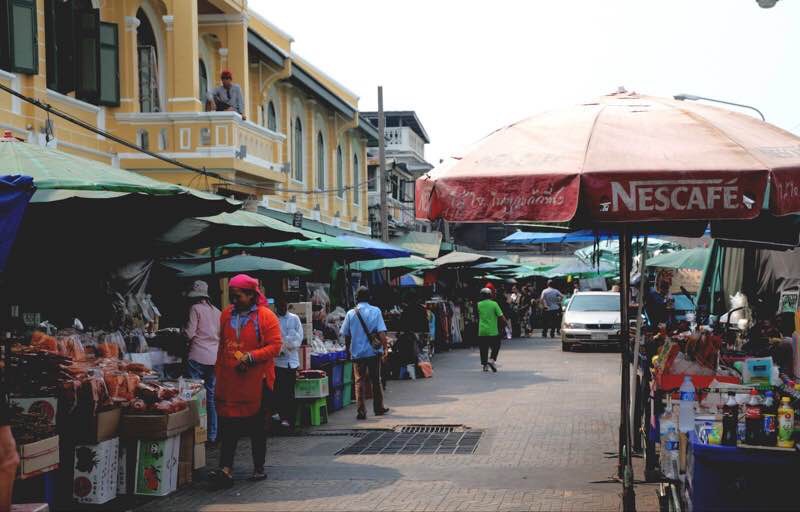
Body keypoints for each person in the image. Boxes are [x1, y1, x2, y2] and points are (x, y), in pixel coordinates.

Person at [210, 274, 282, 489]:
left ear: (252, 295)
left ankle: (258, 468)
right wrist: (219, 374)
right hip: (231, 382)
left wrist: (252, 357)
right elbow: (223, 347)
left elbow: (275, 346)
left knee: (257, 428)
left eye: (238, 296)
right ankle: (226, 469)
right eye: (231, 296)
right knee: (228, 425)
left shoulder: (265, 316)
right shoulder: (225, 315)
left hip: (257, 381)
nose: (233, 300)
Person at [341, 286, 390, 420]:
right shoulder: (376, 311)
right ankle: (378, 408)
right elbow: (381, 333)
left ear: (357, 298)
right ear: (369, 297)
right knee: (376, 380)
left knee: (359, 381)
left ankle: (361, 411)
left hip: (357, 354)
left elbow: (346, 334)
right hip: (373, 352)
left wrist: (347, 350)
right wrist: (385, 348)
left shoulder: (351, 313)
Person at [183, 280, 222, 446]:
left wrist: (181, 332)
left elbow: (190, 334)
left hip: (197, 357)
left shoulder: (194, 309)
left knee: (196, 396)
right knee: (211, 398)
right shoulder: (217, 312)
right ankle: (212, 435)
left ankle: (198, 433)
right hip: (214, 358)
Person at [273, 296, 303, 430]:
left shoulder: (294, 318)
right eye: (280, 308)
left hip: (292, 361)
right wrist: (280, 348)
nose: (282, 309)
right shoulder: (273, 320)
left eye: (284, 307)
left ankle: (290, 419)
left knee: (290, 391)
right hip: (278, 362)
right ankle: (283, 417)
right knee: (280, 391)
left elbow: (299, 336)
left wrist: (291, 345)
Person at [477, 288, 507, 372]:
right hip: (493, 331)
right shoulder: (494, 304)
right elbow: (501, 316)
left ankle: (485, 366)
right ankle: (492, 359)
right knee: (496, 345)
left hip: (482, 331)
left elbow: (477, 316)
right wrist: (506, 324)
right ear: (490, 295)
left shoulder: (478, 304)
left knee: (483, 348)